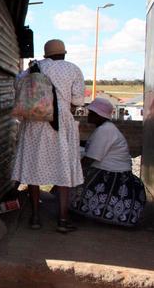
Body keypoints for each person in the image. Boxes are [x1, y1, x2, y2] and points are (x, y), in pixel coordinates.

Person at [12, 39, 85, 233]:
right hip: (61, 122)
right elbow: (78, 100)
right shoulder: (72, 69)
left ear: (46, 54)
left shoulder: (34, 68)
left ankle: (35, 217)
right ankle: (62, 219)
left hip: (36, 120)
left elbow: (18, 85)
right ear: (63, 54)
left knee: (33, 167)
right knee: (63, 168)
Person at [70, 98, 146, 226]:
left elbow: (90, 159)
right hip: (112, 172)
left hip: (113, 176)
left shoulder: (105, 130)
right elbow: (89, 144)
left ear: (99, 115)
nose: (89, 115)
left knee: (72, 183)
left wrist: (74, 174)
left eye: (92, 113)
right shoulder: (105, 128)